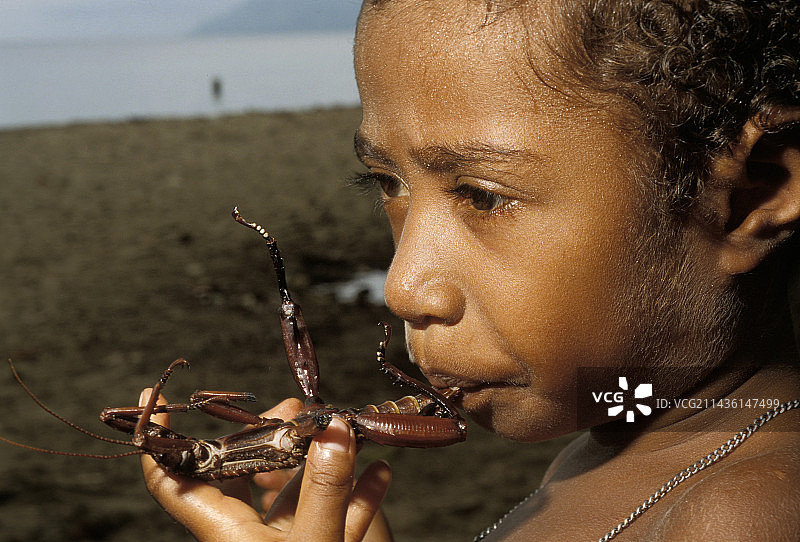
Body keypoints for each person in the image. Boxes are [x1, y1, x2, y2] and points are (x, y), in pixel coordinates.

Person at [140, 0, 800, 540]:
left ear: (751, 196)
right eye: (387, 183)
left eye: (483, 194)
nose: (402, 287)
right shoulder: (606, 446)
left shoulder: (746, 517)